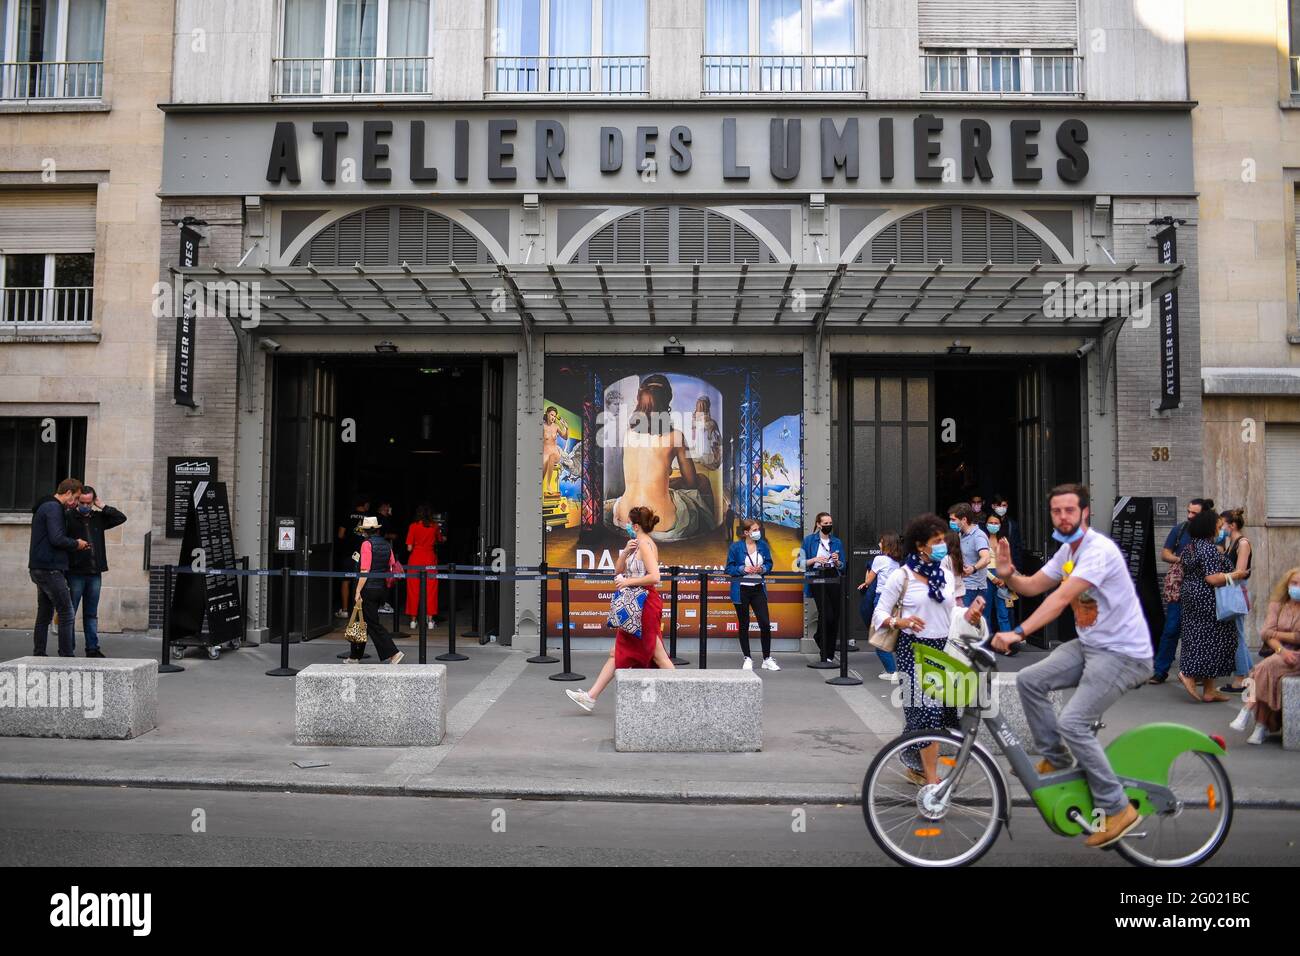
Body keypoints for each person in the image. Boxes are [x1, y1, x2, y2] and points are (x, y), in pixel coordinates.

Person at [991, 483, 1154, 849]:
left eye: (1069, 510)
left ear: (1085, 513)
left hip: (1123, 654)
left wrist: (1018, 632)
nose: (1063, 517)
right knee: (1030, 679)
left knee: (1073, 722)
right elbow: (1033, 586)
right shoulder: (1068, 549)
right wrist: (1007, 574)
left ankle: (1118, 807)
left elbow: (1062, 598)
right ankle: (1057, 757)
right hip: (1091, 646)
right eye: (1056, 511)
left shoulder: (1098, 551)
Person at [872, 513, 985, 786]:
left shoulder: (945, 573)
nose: (942, 545)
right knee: (927, 713)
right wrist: (901, 620)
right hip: (913, 650)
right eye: (936, 541)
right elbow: (879, 614)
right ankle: (933, 782)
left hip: (943, 648)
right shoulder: (902, 576)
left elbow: (952, 610)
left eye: (942, 540)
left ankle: (916, 764)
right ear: (921, 545)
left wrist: (970, 614)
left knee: (936, 712)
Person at [566, 506, 675, 711]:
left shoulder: (645, 545)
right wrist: (625, 553)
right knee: (618, 652)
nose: (626, 526)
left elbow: (655, 576)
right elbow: (618, 571)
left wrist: (628, 582)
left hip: (644, 605)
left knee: (656, 655)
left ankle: (684, 695)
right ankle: (591, 696)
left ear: (635, 525)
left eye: (628, 523)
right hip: (637, 605)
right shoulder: (637, 544)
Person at [604, 374, 715, 541]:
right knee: (703, 481)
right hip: (661, 525)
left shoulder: (628, 434)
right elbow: (692, 482)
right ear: (667, 402)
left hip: (624, 517)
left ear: (639, 401)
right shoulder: (676, 437)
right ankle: (710, 536)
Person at [1174, 508, 1239, 703]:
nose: (1221, 530)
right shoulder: (1208, 549)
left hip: (1191, 594)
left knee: (1196, 635)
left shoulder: (1190, 547)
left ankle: (1209, 689)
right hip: (1207, 598)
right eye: (1218, 527)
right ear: (1210, 528)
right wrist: (1235, 575)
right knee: (1214, 638)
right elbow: (1212, 578)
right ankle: (1189, 673)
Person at [1229, 567, 1300, 744]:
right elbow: (1265, 634)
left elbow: (1296, 637)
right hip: (1281, 653)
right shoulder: (1278, 605)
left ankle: (1249, 712)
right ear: (1287, 585)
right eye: (1294, 583)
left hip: (1297, 655)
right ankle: (1260, 725)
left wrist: (1275, 634)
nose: (1297, 587)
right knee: (1267, 671)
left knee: (1261, 669)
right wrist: (1281, 650)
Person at [1150, 497, 1212, 684]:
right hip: (1179, 586)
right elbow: (1165, 553)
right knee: (1171, 628)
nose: (1190, 516)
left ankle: (1197, 671)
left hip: (1204, 588)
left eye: (1195, 513)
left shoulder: (1213, 533)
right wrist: (1181, 560)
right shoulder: (1180, 529)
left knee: (1199, 631)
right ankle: (1160, 670)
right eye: (1188, 511)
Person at [29, 478, 89, 657]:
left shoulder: (46, 505)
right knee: (66, 612)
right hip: (50, 568)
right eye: (77, 498)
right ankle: (66, 656)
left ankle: (39, 653)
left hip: (40, 566)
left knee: (45, 613)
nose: (76, 503)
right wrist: (76, 543)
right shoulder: (53, 507)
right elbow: (57, 538)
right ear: (68, 493)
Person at [64, 485, 127, 658]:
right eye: (82, 502)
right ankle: (68, 650)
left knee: (91, 614)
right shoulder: (68, 516)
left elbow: (121, 518)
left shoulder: (98, 517)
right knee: (70, 613)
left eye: (88, 502)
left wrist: (103, 506)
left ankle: (92, 648)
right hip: (75, 571)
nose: (85, 505)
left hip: (94, 572)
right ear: (77, 500)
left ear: (93, 501)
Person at [348, 516, 404, 664]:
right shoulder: (387, 544)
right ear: (377, 529)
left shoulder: (366, 544)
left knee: (371, 623)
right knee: (362, 621)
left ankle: (394, 653)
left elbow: (365, 570)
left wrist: (358, 590)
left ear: (365, 531)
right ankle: (354, 656)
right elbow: (392, 564)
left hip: (368, 588)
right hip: (381, 588)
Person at [725, 517, 778, 671]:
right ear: (746, 532)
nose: (758, 532)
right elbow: (729, 568)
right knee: (744, 624)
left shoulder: (763, 546)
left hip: (758, 588)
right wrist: (743, 569)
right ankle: (747, 658)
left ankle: (767, 658)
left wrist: (762, 569)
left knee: (765, 624)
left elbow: (769, 563)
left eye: (758, 529)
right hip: (741, 589)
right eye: (754, 530)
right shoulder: (735, 548)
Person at [1212, 509, 1253, 693]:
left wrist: (1221, 578)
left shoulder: (1242, 543)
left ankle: (1240, 679)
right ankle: (1250, 674)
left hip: (1235, 593)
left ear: (1232, 525)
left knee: (1238, 637)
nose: (1221, 528)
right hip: (1231, 592)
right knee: (1237, 635)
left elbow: (1240, 572)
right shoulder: (1231, 543)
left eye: (1223, 525)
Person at [859, 531, 903, 681]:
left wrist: (865, 580)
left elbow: (870, 580)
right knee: (889, 635)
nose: (879, 544)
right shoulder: (897, 562)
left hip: (882, 600)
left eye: (881, 541)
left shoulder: (879, 559)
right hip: (895, 601)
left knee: (878, 638)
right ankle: (893, 669)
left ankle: (892, 671)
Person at [802, 512, 846, 663]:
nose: (828, 526)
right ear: (818, 524)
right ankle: (820, 641)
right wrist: (814, 559)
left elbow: (843, 566)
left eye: (830, 523)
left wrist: (837, 561)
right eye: (825, 523)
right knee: (826, 614)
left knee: (835, 616)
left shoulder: (836, 542)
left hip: (833, 575)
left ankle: (829, 654)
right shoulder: (809, 540)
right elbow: (799, 563)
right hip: (816, 576)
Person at [404, 503, 443, 629]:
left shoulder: (413, 526)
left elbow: (409, 548)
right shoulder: (435, 526)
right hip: (430, 559)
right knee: (431, 591)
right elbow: (440, 540)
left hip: (415, 559)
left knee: (413, 590)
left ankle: (413, 621)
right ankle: (430, 621)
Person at [948, 502, 991, 612]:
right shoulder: (960, 535)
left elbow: (986, 558)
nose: (951, 523)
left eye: (953, 520)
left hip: (973, 589)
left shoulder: (978, 536)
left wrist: (973, 568)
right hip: (961, 587)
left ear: (964, 520)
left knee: (971, 625)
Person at [336, 493, 371, 619]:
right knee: (363, 580)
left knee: (346, 580)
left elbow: (340, 535)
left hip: (348, 552)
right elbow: (372, 536)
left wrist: (349, 540)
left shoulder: (347, 515)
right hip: (364, 554)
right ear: (365, 504)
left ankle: (345, 610)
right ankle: (362, 611)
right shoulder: (369, 517)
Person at [982, 511, 1016, 640]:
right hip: (986, 576)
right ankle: (987, 641)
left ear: (1000, 525)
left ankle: (1006, 641)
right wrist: (993, 578)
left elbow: (1008, 561)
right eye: (990, 523)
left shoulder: (1004, 540)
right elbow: (979, 562)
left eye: (996, 523)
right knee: (986, 612)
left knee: (1003, 612)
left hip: (1002, 577)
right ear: (985, 524)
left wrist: (1003, 578)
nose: (993, 525)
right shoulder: (982, 539)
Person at [989, 492, 1024, 571]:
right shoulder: (985, 525)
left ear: (1007, 506)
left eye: (1004, 505)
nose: (1001, 508)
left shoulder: (1012, 525)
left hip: (1008, 566)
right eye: (998, 505)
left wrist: (1017, 569)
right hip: (990, 567)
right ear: (993, 506)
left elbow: (1017, 549)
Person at [542, 406, 570, 497]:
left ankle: (548, 485)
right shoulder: (542, 426)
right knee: (544, 462)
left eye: (554, 416)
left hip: (554, 453)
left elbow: (565, 437)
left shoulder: (556, 427)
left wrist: (566, 427)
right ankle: (541, 483)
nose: (553, 417)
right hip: (545, 452)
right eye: (552, 415)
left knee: (552, 457)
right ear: (547, 414)